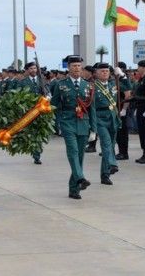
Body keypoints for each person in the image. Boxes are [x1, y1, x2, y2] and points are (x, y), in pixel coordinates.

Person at [51, 55, 96, 199]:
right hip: (67, 122)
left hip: (83, 122)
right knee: (73, 150)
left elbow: (92, 109)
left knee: (80, 155)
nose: (77, 68)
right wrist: (55, 123)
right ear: (68, 68)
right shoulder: (61, 84)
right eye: (74, 66)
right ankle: (80, 178)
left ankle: (74, 189)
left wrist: (93, 129)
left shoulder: (88, 85)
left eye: (79, 66)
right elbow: (55, 105)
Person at [92, 63, 122, 185]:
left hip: (113, 118)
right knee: (106, 143)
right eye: (102, 71)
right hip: (100, 118)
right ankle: (112, 164)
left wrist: (122, 75)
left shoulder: (113, 84)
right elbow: (92, 107)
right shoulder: (93, 86)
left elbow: (127, 89)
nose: (105, 73)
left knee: (110, 147)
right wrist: (93, 127)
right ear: (97, 73)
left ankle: (105, 175)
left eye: (107, 71)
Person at [20, 61, 45, 164]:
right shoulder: (23, 82)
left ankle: (37, 153)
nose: (33, 70)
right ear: (27, 70)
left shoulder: (41, 81)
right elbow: (20, 96)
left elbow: (47, 92)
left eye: (35, 68)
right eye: (31, 69)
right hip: (29, 111)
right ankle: (35, 153)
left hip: (40, 110)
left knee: (39, 132)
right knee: (32, 133)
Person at [133, 60, 145, 164]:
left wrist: (136, 97)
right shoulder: (141, 79)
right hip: (140, 107)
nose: (138, 69)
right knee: (141, 132)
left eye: (139, 67)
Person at [115, 62, 132, 160]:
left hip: (122, 109)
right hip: (116, 109)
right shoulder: (117, 80)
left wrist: (124, 109)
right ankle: (121, 151)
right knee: (118, 133)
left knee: (122, 133)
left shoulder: (125, 80)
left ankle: (124, 153)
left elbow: (128, 96)